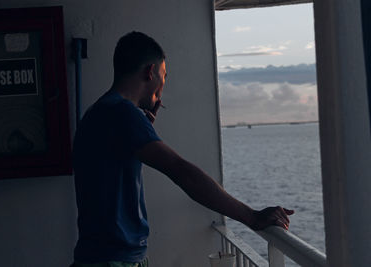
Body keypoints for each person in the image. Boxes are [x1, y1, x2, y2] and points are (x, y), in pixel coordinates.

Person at [71, 31, 294, 267]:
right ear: (150, 72)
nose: (162, 86)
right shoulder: (122, 114)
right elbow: (182, 172)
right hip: (111, 261)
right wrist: (252, 216)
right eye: (163, 76)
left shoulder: (99, 112)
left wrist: (143, 130)